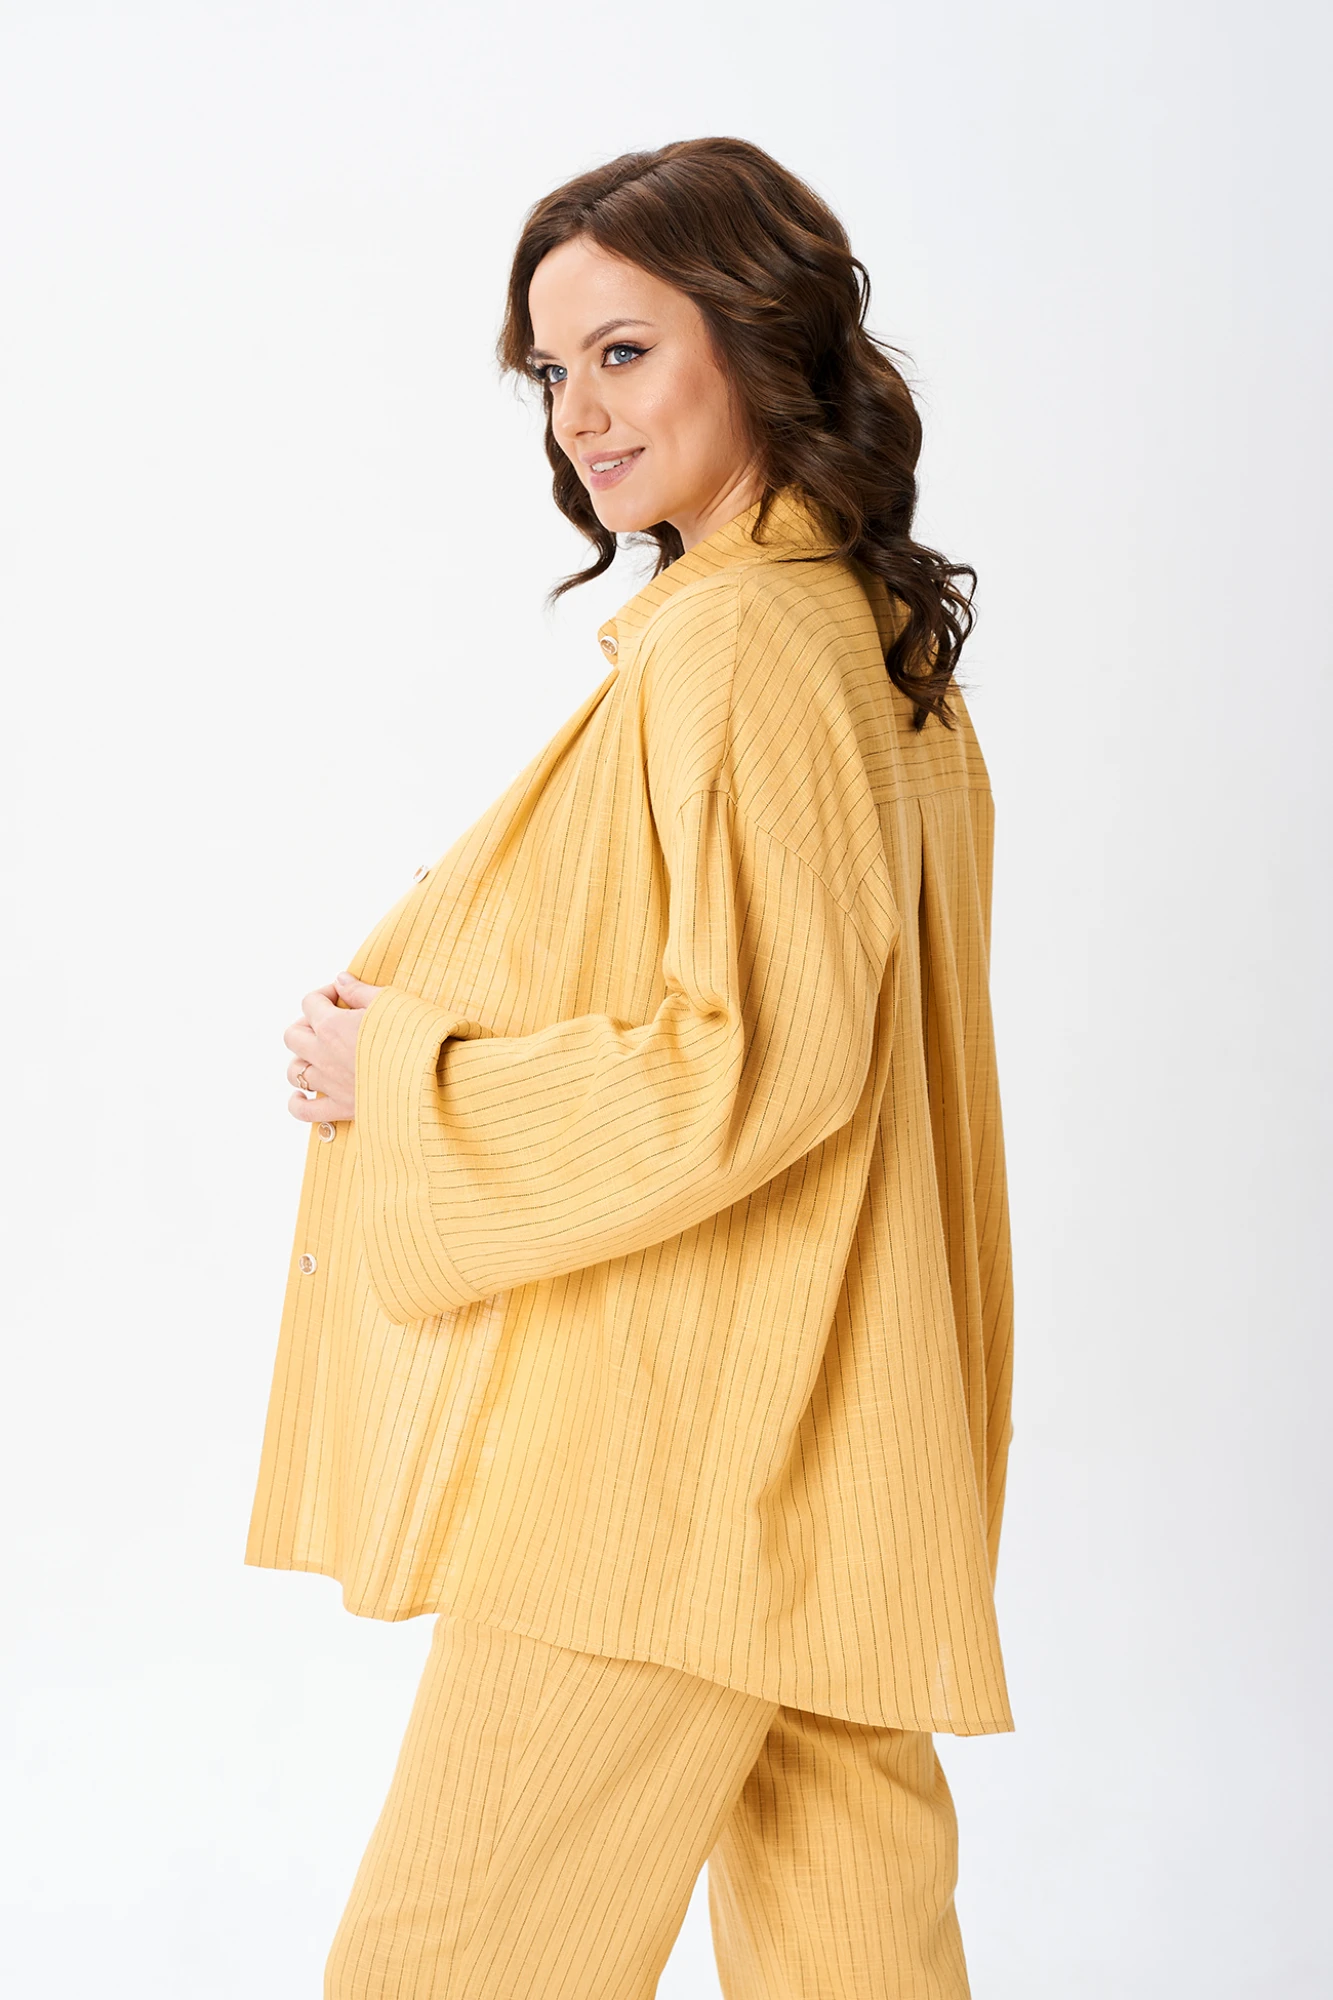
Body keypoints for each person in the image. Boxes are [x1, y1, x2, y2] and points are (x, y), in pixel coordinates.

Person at [247, 135, 1016, 2000]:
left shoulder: (742, 641)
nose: (578, 415)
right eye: (551, 369)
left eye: (622, 351)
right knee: (856, 1965)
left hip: (669, 1463)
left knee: (443, 1968)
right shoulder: (850, 626)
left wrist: (400, 1073)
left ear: (758, 338)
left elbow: (756, 1064)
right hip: (836, 1446)